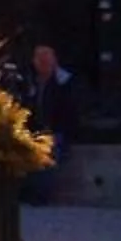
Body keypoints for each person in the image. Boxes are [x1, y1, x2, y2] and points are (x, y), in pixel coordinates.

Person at [17, 43, 79, 206]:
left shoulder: (64, 83)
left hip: (57, 131)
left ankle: (40, 196)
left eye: (46, 58)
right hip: (34, 130)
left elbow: (69, 112)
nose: (42, 62)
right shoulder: (30, 81)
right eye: (39, 58)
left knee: (48, 154)